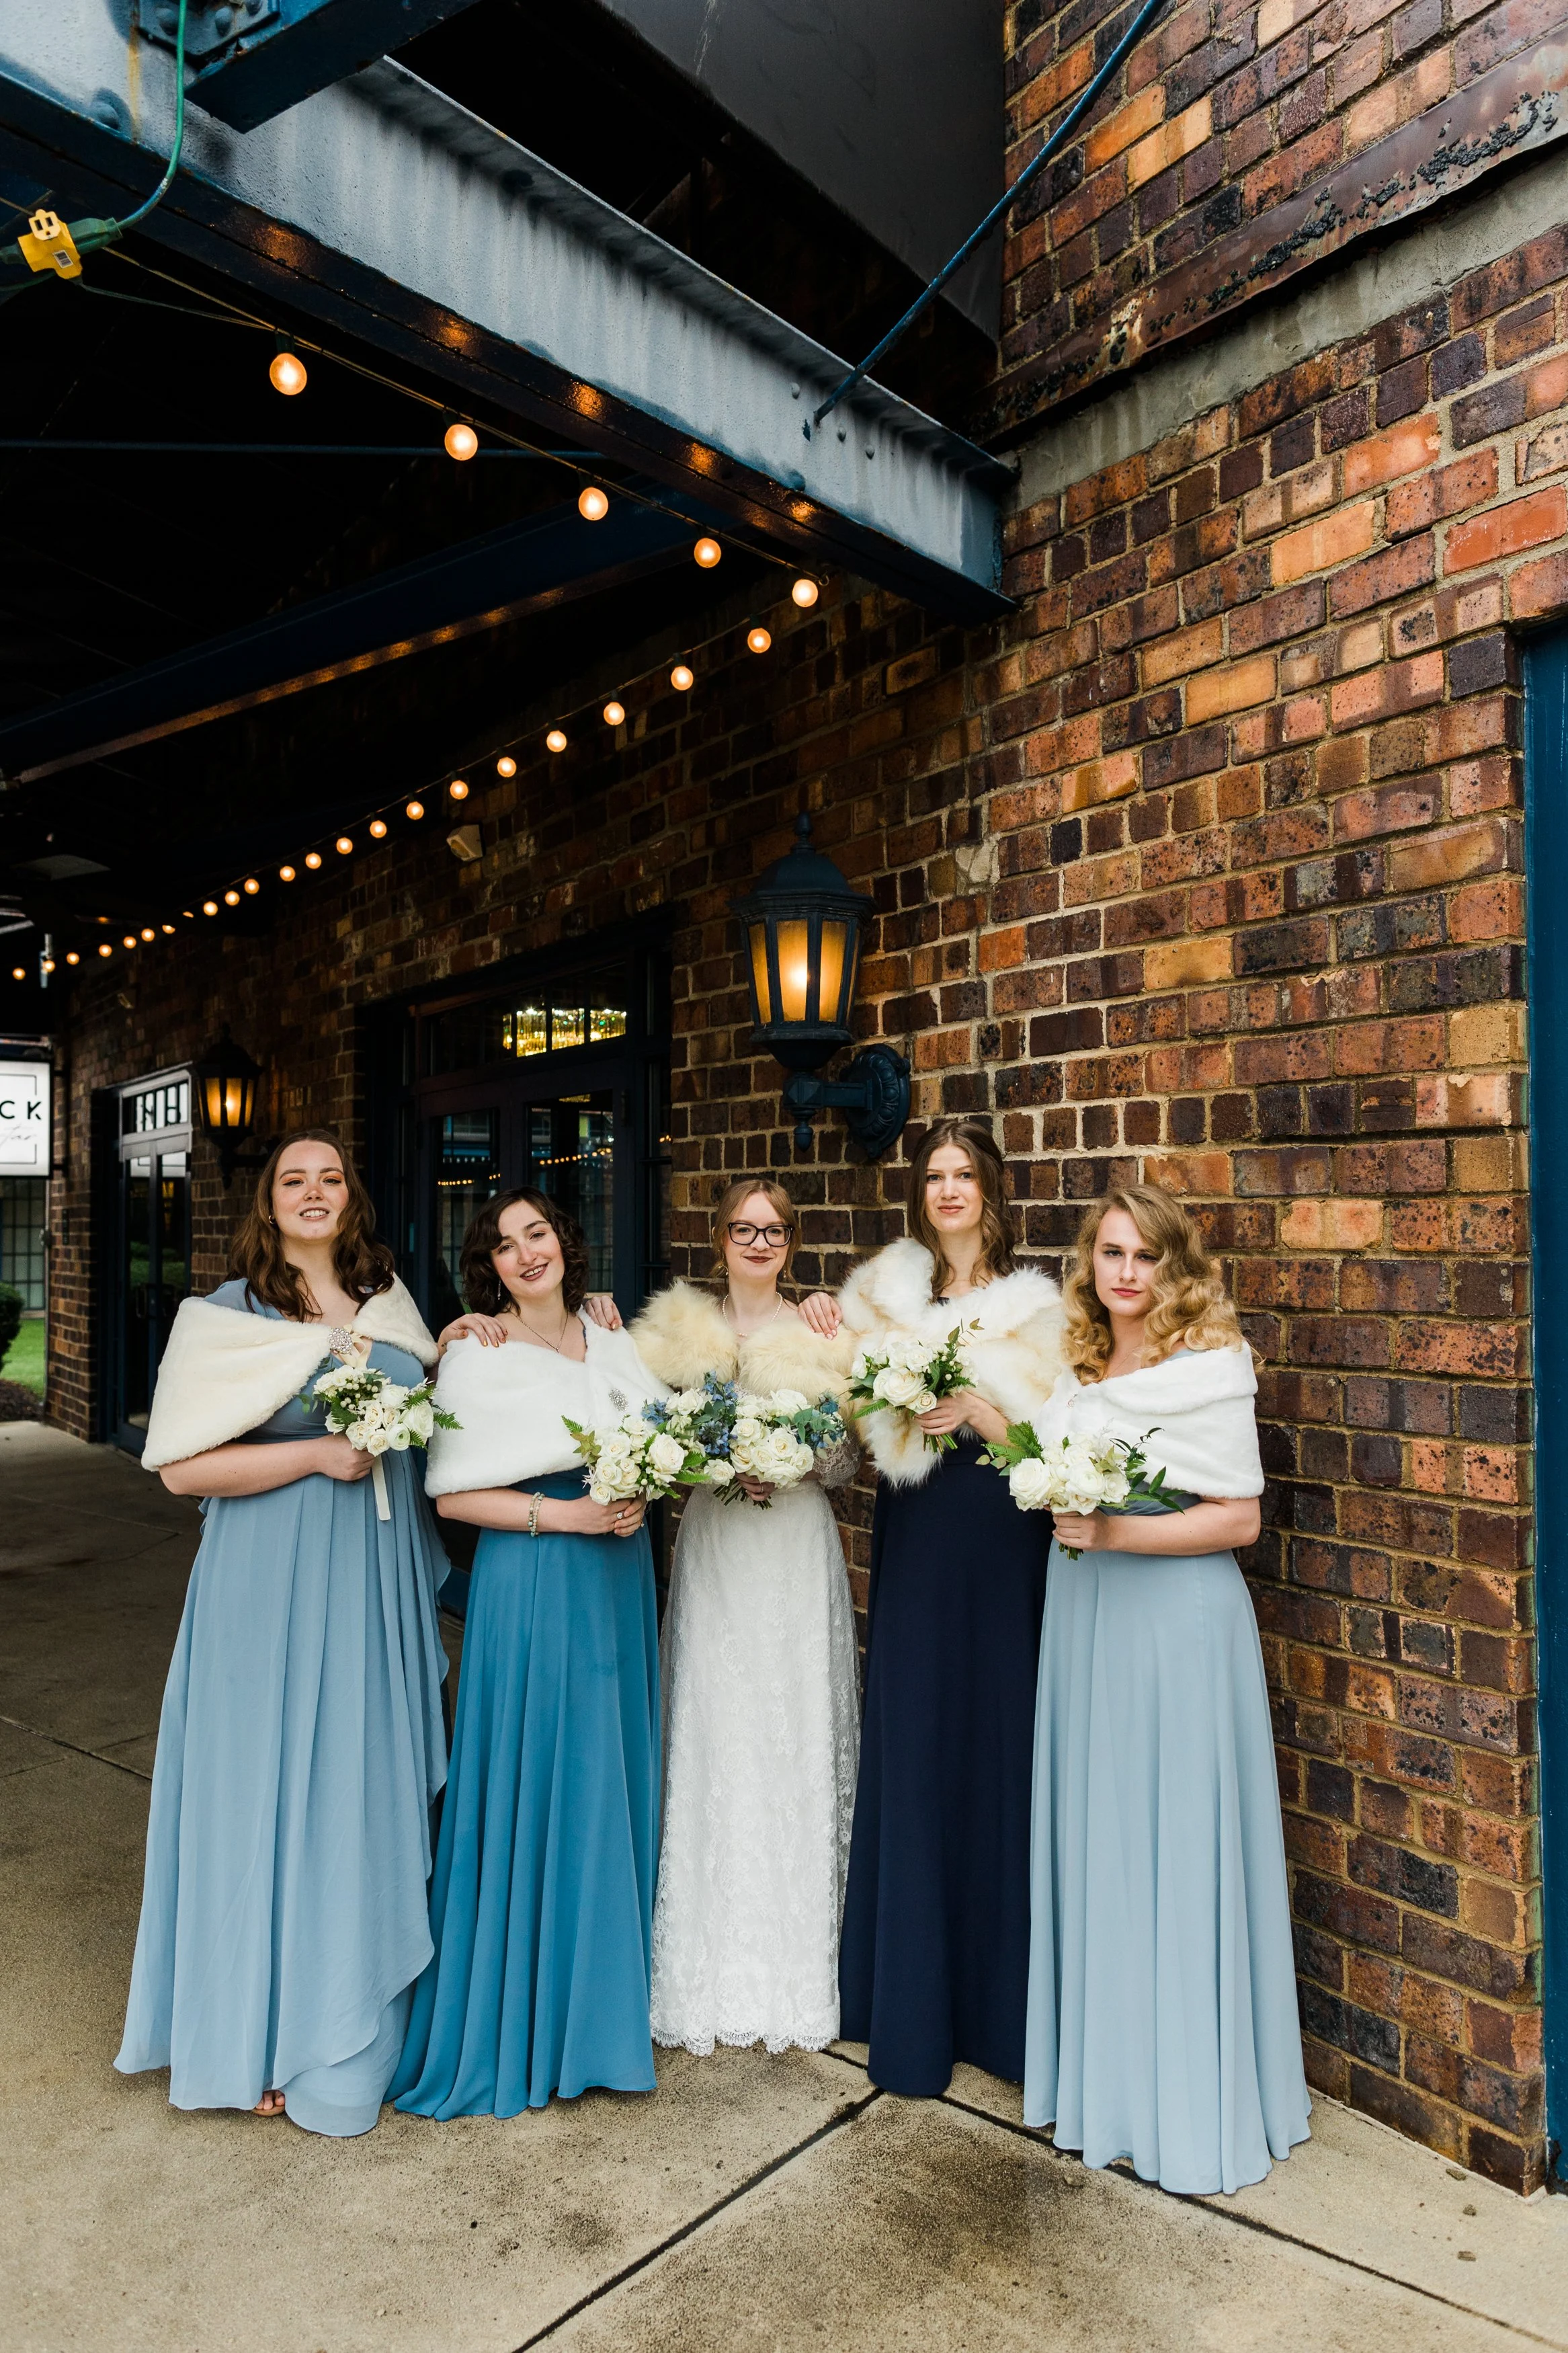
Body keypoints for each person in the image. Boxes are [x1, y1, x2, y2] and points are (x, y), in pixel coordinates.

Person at [118, 1129, 449, 2137]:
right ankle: (258, 2035)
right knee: (257, 1797)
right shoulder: (221, 1319)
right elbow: (180, 1471)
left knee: (355, 1786)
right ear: (267, 1205)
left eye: (332, 1179)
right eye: (293, 1181)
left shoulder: (393, 1305)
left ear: (353, 1200)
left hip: (369, 1587)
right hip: (261, 1589)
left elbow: (443, 1400)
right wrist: (315, 1457)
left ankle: (345, 2033)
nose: (314, 1193)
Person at [1024, 1183, 1311, 2194]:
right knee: (1106, 1842)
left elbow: (1238, 1520)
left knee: (1179, 1847)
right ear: (1089, 1265)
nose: (1127, 1273)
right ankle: (1114, 2085)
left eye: (1146, 1256)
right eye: (1110, 1253)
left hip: (1180, 1624)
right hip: (1090, 1618)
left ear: (1175, 1266)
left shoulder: (1211, 1366)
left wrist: (1114, 1531)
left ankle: (1191, 2097)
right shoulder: (1078, 1363)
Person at [391, 1189, 666, 2118]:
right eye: (504, 1247)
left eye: (537, 1233)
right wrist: (572, 1514)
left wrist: (641, 1495)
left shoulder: (611, 1334)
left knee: (605, 1780)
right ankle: (530, 2017)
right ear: (490, 1270)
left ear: (565, 1242)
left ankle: (600, 2016)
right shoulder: (477, 1349)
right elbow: (453, 1496)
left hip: (618, 1580)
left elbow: (658, 1436)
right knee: (545, 1780)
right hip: (539, 1571)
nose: (525, 1254)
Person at [805, 1115, 1063, 2097]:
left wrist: (982, 1413)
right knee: (914, 1737)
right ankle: (906, 2004)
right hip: (915, 1530)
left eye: (964, 1174)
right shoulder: (888, 1295)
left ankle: (1000, 2014)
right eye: (935, 1175)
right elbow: (849, 1407)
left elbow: (1056, 1440)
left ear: (991, 1189)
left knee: (996, 1741)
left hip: (1001, 1535)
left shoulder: (1039, 1309)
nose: (949, 1189)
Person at [628, 1176, 860, 2057]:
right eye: (743, 1229)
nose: (758, 1243)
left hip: (796, 1552)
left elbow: (846, 1462)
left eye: (774, 1231)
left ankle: (801, 1970)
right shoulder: (677, 1334)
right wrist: (713, 1466)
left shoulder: (822, 1332)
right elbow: (650, 1441)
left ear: (792, 1243)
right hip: (720, 1551)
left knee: (791, 1733)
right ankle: (711, 1967)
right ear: (719, 1239)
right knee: (719, 1736)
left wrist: (797, 1458)